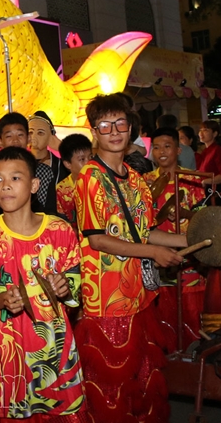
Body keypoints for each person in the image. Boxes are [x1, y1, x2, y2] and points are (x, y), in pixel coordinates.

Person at [73, 93, 187, 423]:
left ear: (130, 127)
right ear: (94, 131)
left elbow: (144, 232)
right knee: (111, 382)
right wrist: (154, 253)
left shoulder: (138, 180)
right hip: (106, 297)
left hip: (137, 293)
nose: (114, 131)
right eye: (105, 125)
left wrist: (187, 240)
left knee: (141, 375)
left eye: (120, 122)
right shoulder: (90, 178)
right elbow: (98, 240)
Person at [0, 147, 86, 421]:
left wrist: (64, 287)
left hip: (57, 347)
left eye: (15, 178)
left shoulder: (60, 231)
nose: (5, 186)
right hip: (12, 350)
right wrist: (5, 299)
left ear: (35, 185)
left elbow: (75, 289)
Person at [143, 128, 206, 352]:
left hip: (187, 261)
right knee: (162, 318)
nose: (161, 152)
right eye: (157, 147)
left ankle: (192, 361)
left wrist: (185, 213)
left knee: (190, 316)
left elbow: (203, 219)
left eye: (167, 146)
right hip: (157, 259)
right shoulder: (144, 182)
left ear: (178, 150)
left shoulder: (193, 180)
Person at [0, 112, 58, 228]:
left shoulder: (45, 172)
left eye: (20, 135)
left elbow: (51, 215)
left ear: (28, 138)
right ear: (0, 142)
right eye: (9, 136)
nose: (15, 141)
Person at [56, 133, 92, 233]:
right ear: (68, 164)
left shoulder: (101, 181)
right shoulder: (61, 190)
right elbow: (64, 223)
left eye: (91, 157)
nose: (89, 163)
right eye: (82, 159)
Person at [28, 111, 70, 186]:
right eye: (31, 132)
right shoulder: (19, 161)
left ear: (51, 136)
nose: (34, 137)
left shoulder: (61, 166)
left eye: (40, 133)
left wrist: (62, 147)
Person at [196, 120, 221, 187]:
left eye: (205, 130)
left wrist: (205, 181)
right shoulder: (205, 151)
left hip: (215, 191)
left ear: (215, 134)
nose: (201, 133)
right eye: (200, 130)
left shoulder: (218, 150)